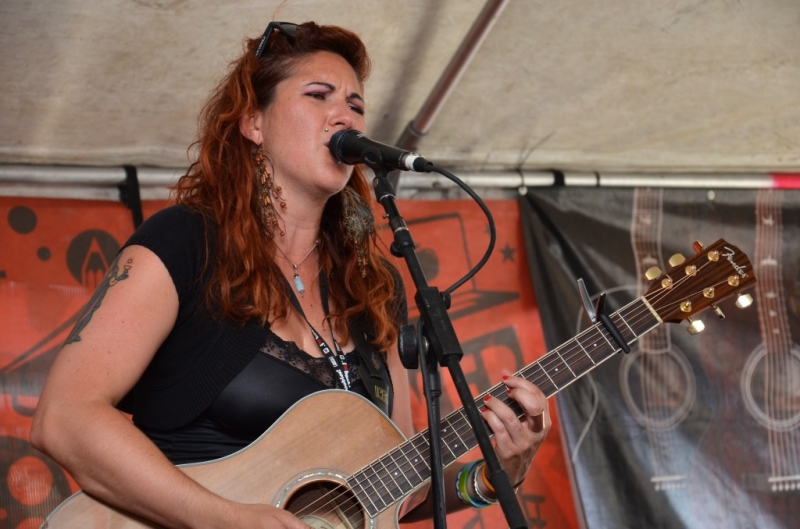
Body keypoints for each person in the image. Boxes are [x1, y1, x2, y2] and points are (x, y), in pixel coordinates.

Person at [30, 21, 551, 528]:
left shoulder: (374, 288)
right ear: (253, 123)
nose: (344, 115)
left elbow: (399, 490)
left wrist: (492, 478)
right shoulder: (186, 243)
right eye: (319, 95)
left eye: (356, 105)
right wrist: (225, 518)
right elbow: (65, 417)